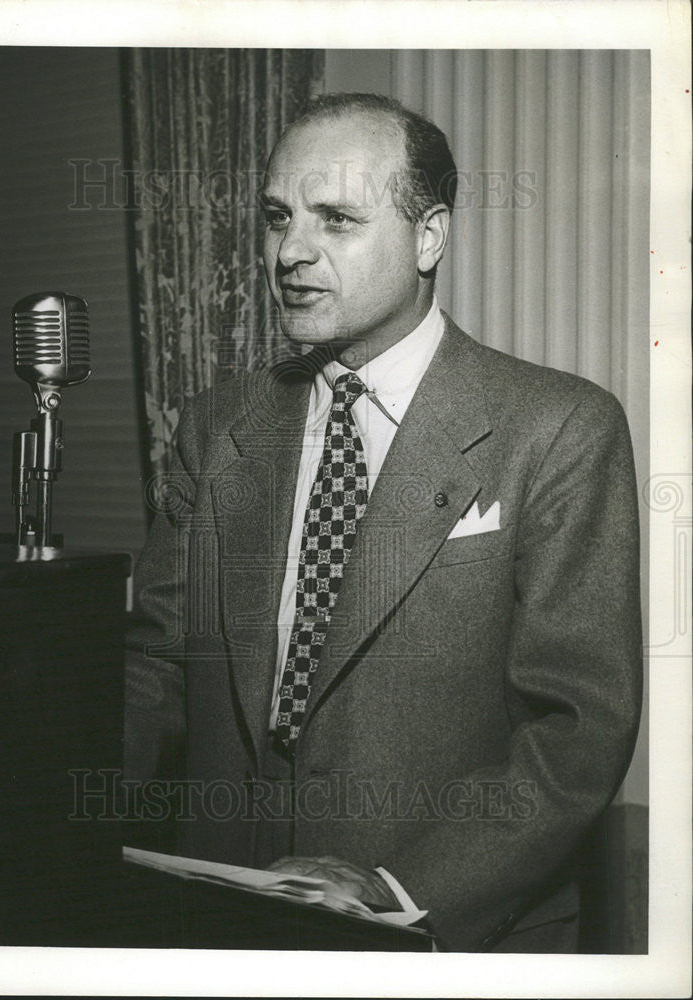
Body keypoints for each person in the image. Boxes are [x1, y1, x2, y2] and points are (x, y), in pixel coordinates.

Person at [126, 92, 642, 953]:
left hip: (439, 934)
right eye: (278, 217)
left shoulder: (558, 427)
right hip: (219, 926)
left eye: (337, 220)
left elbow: (577, 730)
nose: (291, 251)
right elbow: (155, 669)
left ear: (428, 237)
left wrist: (399, 891)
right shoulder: (218, 427)